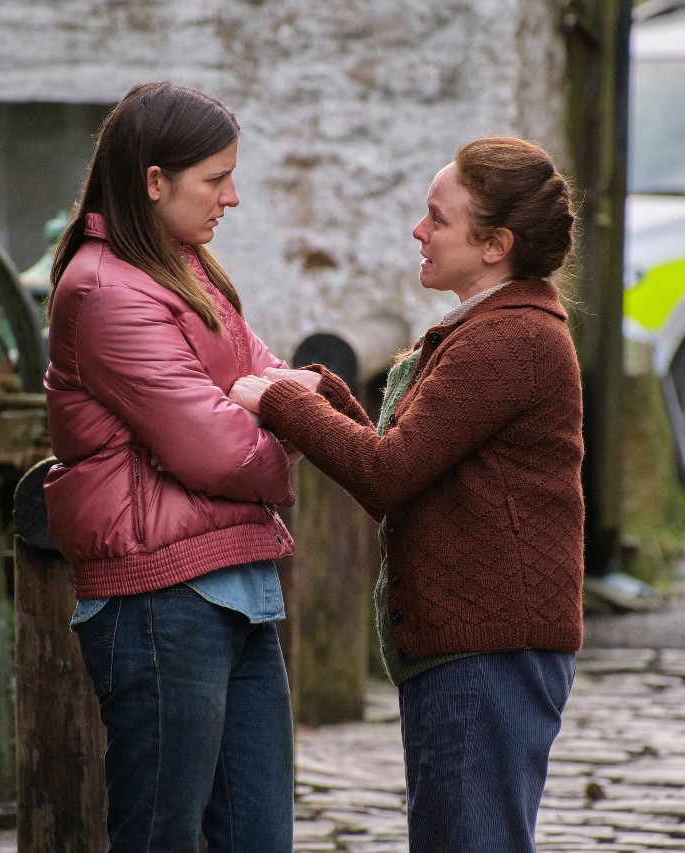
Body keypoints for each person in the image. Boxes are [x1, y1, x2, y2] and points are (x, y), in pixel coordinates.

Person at [229, 136, 584, 852]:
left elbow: (388, 472)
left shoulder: (508, 340)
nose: (418, 232)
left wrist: (280, 405)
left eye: (437, 218)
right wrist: (326, 392)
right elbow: (413, 469)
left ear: (495, 245)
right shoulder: (492, 328)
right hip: (477, 647)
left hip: (487, 652)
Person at [43, 81, 298, 852]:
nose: (234, 196)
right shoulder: (103, 289)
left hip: (235, 583)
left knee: (260, 837)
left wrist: (273, 405)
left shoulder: (185, 269)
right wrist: (287, 433)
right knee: (160, 836)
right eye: (216, 178)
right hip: (160, 599)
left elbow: (275, 377)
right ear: (154, 182)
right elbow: (215, 448)